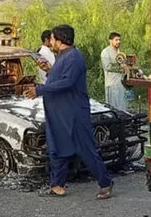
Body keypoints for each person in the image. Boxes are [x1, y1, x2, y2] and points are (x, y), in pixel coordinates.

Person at [25, 25, 113, 199]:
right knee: (57, 147)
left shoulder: (74, 57)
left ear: (59, 41)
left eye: (52, 39)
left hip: (73, 113)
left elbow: (67, 82)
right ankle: (57, 185)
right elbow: (59, 78)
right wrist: (48, 70)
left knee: (85, 148)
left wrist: (40, 90)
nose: (50, 42)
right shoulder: (62, 57)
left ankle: (105, 182)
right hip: (59, 113)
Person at [100, 32, 127, 111]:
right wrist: (121, 69)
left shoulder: (120, 52)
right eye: (116, 40)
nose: (118, 41)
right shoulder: (105, 52)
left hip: (121, 83)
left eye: (119, 40)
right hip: (111, 84)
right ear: (110, 41)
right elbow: (107, 67)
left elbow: (124, 64)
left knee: (122, 106)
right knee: (113, 107)